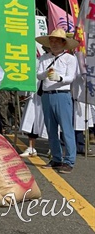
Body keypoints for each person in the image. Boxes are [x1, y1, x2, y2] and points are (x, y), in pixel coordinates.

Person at [35, 28, 78, 173]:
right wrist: (46, 73)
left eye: (57, 41)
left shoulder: (70, 59)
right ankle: (56, 158)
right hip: (47, 95)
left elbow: (71, 77)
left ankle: (69, 160)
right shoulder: (44, 58)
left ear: (63, 42)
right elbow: (39, 75)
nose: (54, 43)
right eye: (51, 40)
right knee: (51, 129)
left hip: (62, 94)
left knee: (66, 128)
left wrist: (59, 78)